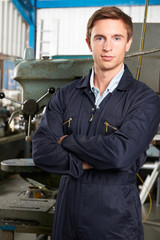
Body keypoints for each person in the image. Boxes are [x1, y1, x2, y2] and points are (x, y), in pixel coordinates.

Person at [32, 6, 160, 240]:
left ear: (128, 43)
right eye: (100, 38)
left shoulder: (144, 99)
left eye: (116, 38)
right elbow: (41, 151)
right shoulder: (66, 95)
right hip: (66, 224)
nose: (108, 47)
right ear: (89, 43)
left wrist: (67, 140)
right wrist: (85, 163)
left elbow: (119, 154)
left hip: (114, 226)